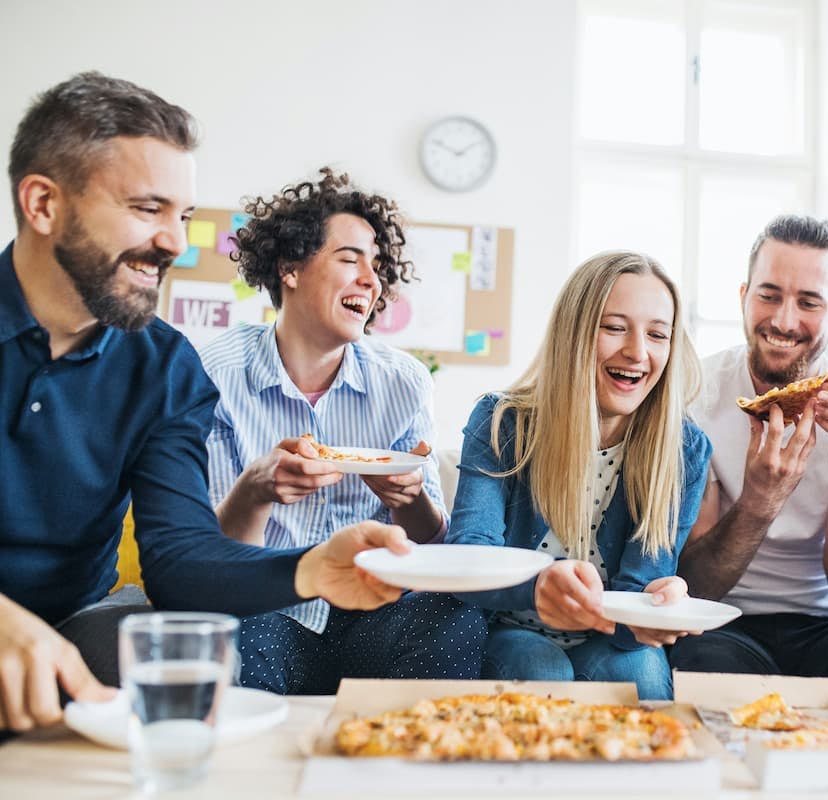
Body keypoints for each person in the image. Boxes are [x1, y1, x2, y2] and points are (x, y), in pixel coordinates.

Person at [0, 72, 411, 732]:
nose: (175, 243)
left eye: (182, 216)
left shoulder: (165, 367)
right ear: (43, 204)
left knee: (160, 660)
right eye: (146, 209)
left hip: (74, 626)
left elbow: (180, 562)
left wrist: (310, 569)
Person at [199, 169, 486, 693]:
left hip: (376, 608)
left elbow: (429, 542)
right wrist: (256, 491)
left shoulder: (402, 382)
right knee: (224, 630)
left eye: (377, 266)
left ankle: (409, 769)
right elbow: (213, 558)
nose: (371, 281)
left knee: (454, 618)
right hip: (268, 607)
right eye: (350, 258)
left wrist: (409, 497)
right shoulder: (215, 374)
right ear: (289, 267)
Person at [445, 250, 712, 700]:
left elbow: (639, 587)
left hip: (608, 639)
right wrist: (537, 589)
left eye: (658, 334)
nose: (638, 352)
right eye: (614, 328)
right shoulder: (502, 421)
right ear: (574, 332)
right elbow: (470, 556)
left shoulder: (684, 450)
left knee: (642, 675)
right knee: (541, 667)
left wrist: (656, 608)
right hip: (512, 628)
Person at [670, 215, 828, 678]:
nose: (783, 320)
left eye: (809, 302)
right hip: (720, 622)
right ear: (743, 298)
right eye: (769, 295)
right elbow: (697, 588)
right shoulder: (692, 395)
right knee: (704, 668)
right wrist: (760, 501)